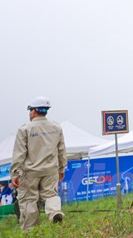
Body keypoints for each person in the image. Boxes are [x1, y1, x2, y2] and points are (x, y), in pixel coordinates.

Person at [10, 96, 66, 230]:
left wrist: (15, 173)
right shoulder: (56, 127)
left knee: (28, 199)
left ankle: (31, 230)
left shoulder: (25, 129)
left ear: (34, 111)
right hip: (50, 170)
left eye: (30, 110)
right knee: (51, 194)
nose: (29, 113)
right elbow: (61, 150)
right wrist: (61, 169)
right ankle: (54, 213)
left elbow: (19, 154)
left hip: (30, 172)